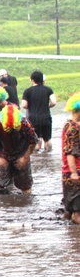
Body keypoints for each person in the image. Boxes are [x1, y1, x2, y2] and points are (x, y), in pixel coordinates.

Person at [0, 104, 38, 195]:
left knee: (26, 186)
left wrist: (25, 158)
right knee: (1, 187)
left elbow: (34, 141)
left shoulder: (24, 123)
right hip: (3, 153)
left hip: (21, 153)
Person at [21, 71, 57, 152]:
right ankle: (48, 156)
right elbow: (54, 102)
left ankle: (37, 159)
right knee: (47, 139)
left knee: (35, 141)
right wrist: (48, 106)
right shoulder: (48, 90)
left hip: (33, 119)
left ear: (32, 80)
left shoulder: (27, 91)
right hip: (46, 117)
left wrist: (30, 106)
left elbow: (23, 105)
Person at [62, 93, 80, 224]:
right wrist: (74, 172)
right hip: (74, 172)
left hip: (69, 172)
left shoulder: (69, 124)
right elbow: (70, 152)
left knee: (69, 211)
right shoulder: (73, 128)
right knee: (77, 213)